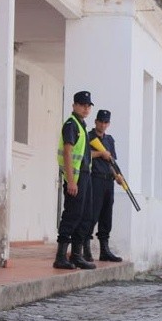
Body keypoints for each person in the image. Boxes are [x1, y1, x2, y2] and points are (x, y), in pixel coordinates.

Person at [54, 91, 96, 270]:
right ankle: (61, 256)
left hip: (85, 176)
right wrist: (71, 181)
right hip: (76, 178)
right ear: (74, 106)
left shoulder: (82, 126)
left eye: (88, 105)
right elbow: (68, 152)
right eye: (82, 104)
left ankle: (77, 255)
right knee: (72, 215)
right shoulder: (71, 125)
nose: (85, 108)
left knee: (85, 216)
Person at [85, 109, 123, 262]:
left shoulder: (109, 140)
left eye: (106, 122)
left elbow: (112, 161)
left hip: (108, 180)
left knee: (106, 215)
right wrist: (100, 153)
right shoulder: (89, 137)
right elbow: (84, 153)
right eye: (101, 121)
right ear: (96, 121)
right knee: (92, 213)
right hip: (95, 179)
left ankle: (104, 250)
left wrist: (117, 175)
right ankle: (85, 248)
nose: (103, 124)